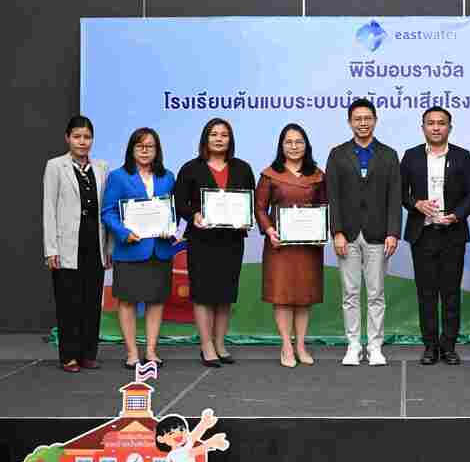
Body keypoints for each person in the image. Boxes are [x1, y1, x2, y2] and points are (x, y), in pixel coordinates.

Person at [325, 99, 402, 366]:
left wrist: (393, 232)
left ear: (375, 120)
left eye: (367, 118)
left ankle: (375, 346)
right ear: (349, 122)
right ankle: (354, 345)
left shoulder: (389, 154)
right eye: (357, 119)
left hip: (378, 234)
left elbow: (395, 196)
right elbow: (332, 196)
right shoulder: (338, 154)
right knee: (350, 293)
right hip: (347, 234)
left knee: (376, 293)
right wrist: (336, 231)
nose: (363, 123)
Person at [174, 118, 255, 367]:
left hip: (231, 241)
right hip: (201, 241)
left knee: (225, 295)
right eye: (214, 134)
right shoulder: (191, 168)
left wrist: (246, 219)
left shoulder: (242, 168)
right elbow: (180, 202)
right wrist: (194, 215)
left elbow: (249, 201)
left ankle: (220, 344)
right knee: (203, 294)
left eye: (224, 135)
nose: (219, 139)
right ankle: (206, 345)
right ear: (205, 139)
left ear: (230, 140)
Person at [401, 106, 470, 365]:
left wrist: (457, 215)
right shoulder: (411, 156)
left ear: (449, 127)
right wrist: (416, 204)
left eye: (441, 123)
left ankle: (449, 346)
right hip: (422, 234)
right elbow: (400, 191)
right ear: (423, 127)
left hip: (452, 233)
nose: (436, 127)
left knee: (451, 293)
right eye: (431, 123)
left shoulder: (462, 156)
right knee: (426, 293)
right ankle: (430, 346)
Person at [102, 128, 176, 370]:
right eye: (140, 146)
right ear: (131, 149)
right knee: (127, 301)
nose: (145, 151)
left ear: (157, 150)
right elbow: (108, 212)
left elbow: (172, 211)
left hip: (159, 249)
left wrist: (170, 227)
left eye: (150, 146)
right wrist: (124, 233)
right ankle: (132, 352)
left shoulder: (168, 177)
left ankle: (151, 351)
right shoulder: (118, 177)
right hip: (130, 250)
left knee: (156, 301)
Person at [43, 116, 111, 373]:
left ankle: (88, 354)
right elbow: (49, 209)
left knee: (92, 302)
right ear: (67, 138)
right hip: (67, 244)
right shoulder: (55, 166)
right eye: (77, 136)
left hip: (95, 242)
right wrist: (51, 249)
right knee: (68, 302)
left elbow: (107, 209)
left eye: (87, 137)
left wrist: (109, 248)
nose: (82, 142)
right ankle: (68, 356)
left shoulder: (101, 167)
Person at [255, 124, 326, 368]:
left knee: (304, 297)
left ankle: (301, 345)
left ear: (306, 145)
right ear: (281, 146)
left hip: (308, 246)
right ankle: (286, 345)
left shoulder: (318, 175)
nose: (294, 146)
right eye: (289, 142)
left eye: (299, 142)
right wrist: (269, 230)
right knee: (283, 296)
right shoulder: (269, 175)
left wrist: (321, 230)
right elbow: (260, 208)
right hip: (280, 246)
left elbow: (325, 207)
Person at [156, 409, 229, 462]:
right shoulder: (174, 454)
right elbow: (194, 451)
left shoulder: (184, 448)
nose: (178, 434)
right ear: (161, 439)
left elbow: (193, 437)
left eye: (181, 430)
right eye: (171, 433)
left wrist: (203, 423)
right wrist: (211, 442)